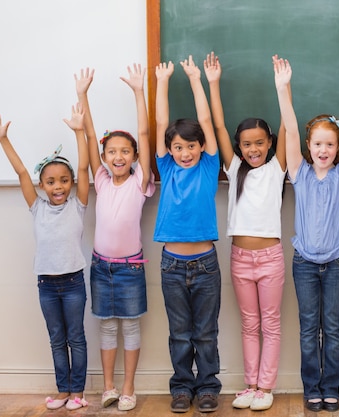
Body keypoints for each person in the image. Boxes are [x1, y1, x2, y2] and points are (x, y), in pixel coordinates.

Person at [274, 55, 339, 413]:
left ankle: (332, 389)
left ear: (337, 148)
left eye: (330, 145)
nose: (323, 150)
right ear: (308, 148)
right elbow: (291, 130)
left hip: (337, 263)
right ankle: (312, 388)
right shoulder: (300, 174)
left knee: (333, 329)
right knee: (309, 329)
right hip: (305, 263)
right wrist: (283, 90)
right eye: (317, 145)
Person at [0, 105, 89, 411]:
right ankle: (62, 390)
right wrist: (4, 140)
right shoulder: (37, 207)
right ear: (42, 186)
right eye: (51, 182)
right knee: (57, 339)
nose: (58, 186)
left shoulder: (78, 205)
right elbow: (20, 172)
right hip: (46, 283)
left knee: (77, 338)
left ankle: (78, 392)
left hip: (73, 283)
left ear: (70, 182)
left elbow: (84, 169)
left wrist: (78, 132)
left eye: (63, 180)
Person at [203, 52, 286, 411]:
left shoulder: (278, 168)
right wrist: (214, 83)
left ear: (269, 143)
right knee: (249, 324)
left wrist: (283, 88)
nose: (253, 148)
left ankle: (266, 387)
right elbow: (218, 127)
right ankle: (250, 384)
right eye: (247, 143)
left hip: (271, 259)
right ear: (240, 147)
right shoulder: (235, 168)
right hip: (239, 259)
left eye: (260, 142)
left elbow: (290, 126)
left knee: (270, 323)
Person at [75, 64, 156, 411]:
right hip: (101, 267)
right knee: (106, 329)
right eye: (112, 152)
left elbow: (144, 132)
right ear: (105, 159)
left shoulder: (140, 182)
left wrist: (139, 92)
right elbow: (92, 138)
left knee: (130, 329)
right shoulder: (102, 181)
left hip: (130, 269)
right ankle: (107, 387)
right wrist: (83, 95)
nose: (118, 156)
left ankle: (128, 388)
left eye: (126, 151)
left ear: (135, 157)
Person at [154, 57, 222, 414]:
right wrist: (162, 82)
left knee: (205, 333)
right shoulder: (165, 166)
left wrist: (196, 80)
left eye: (190, 146)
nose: (184, 152)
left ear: (200, 147)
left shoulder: (210, 164)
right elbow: (162, 123)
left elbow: (207, 121)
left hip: (206, 264)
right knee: (179, 333)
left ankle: (208, 387)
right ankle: (182, 387)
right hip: (172, 265)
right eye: (178, 147)